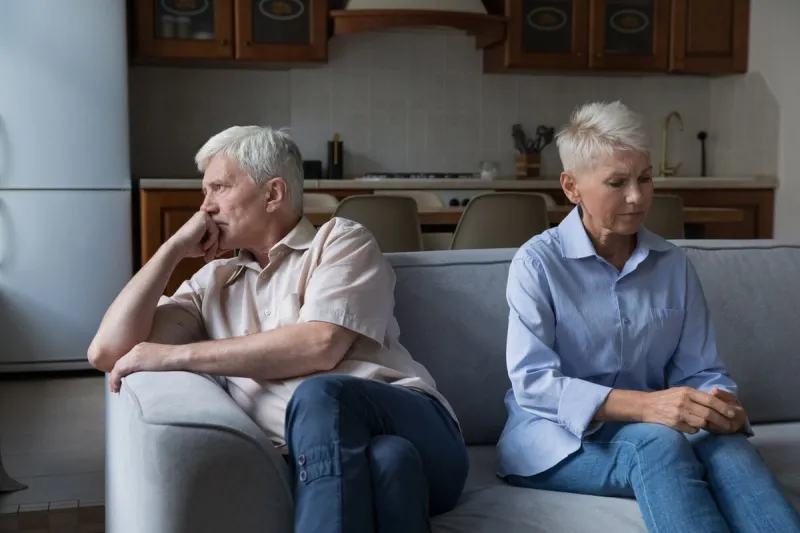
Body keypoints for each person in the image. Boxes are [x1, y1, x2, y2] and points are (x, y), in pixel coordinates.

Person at [88, 126, 468, 533]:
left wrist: (174, 355)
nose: (205, 209)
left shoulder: (340, 242)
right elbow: (107, 352)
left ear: (272, 193)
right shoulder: (212, 281)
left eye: (218, 188)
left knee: (322, 394)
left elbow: (319, 345)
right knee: (391, 462)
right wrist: (172, 250)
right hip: (330, 456)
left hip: (418, 425)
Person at [497, 101, 800, 532]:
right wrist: (647, 406)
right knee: (657, 444)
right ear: (571, 186)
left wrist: (721, 406)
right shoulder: (537, 264)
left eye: (645, 178)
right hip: (556, 441)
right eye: (617, 182)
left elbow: (702, 370)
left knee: (729, 448)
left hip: (658, 429)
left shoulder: (673, 264)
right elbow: (534, 384)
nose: (638, 197)